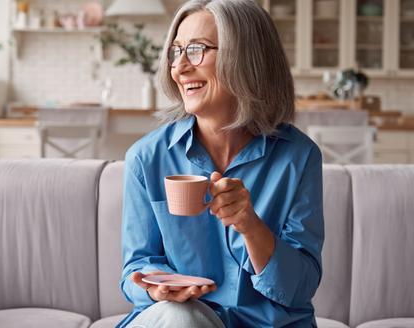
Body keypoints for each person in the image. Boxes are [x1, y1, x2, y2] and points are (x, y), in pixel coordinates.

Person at [118, 0, 324, 327]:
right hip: (180, 321)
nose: (180, 67)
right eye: (175, 51)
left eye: (197, 49)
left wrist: (251, 226)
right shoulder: (146, 158)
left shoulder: (298, 157)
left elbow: (300, 288)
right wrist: (158, 289)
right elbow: (136, 268)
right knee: (179, 317)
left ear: (247, 58)